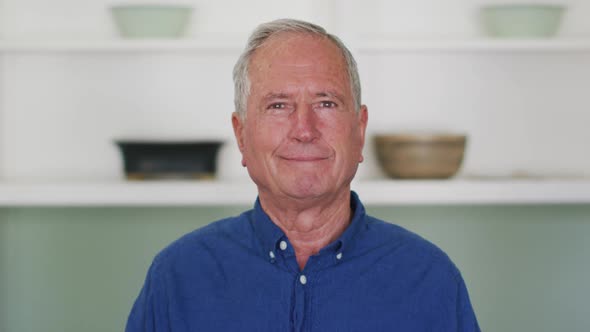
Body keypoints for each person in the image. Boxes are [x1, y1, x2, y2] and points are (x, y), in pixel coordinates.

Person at [126, 18, 480, 331]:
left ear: (359, 130)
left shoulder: (430, 279)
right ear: (241, 136)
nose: (304, 129)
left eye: (326, 103)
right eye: (278, 105)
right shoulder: (178, 277)